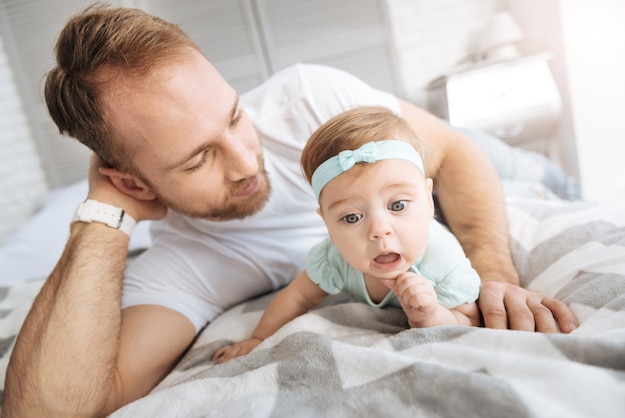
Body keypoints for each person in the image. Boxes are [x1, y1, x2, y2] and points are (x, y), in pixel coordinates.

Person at [2, 4, 578, 417]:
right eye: (199, 158)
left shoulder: (307, 100)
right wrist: (103, 210)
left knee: (550, 175)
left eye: (232, 116)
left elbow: (453, 150)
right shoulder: (184, 265)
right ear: (135, 182)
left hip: (471, 161)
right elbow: (48, 411)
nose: (246, 162)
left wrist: (494, 275)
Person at [213, 107, 482, 363]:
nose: (378, 230)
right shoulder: (334, 258)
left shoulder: (443, 263)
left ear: (427, 199)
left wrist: (434, 315)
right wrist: (259, 338)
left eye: (397, 205)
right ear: (327, 223)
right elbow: (297, 297)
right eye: (352, 217)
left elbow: (471, 319)